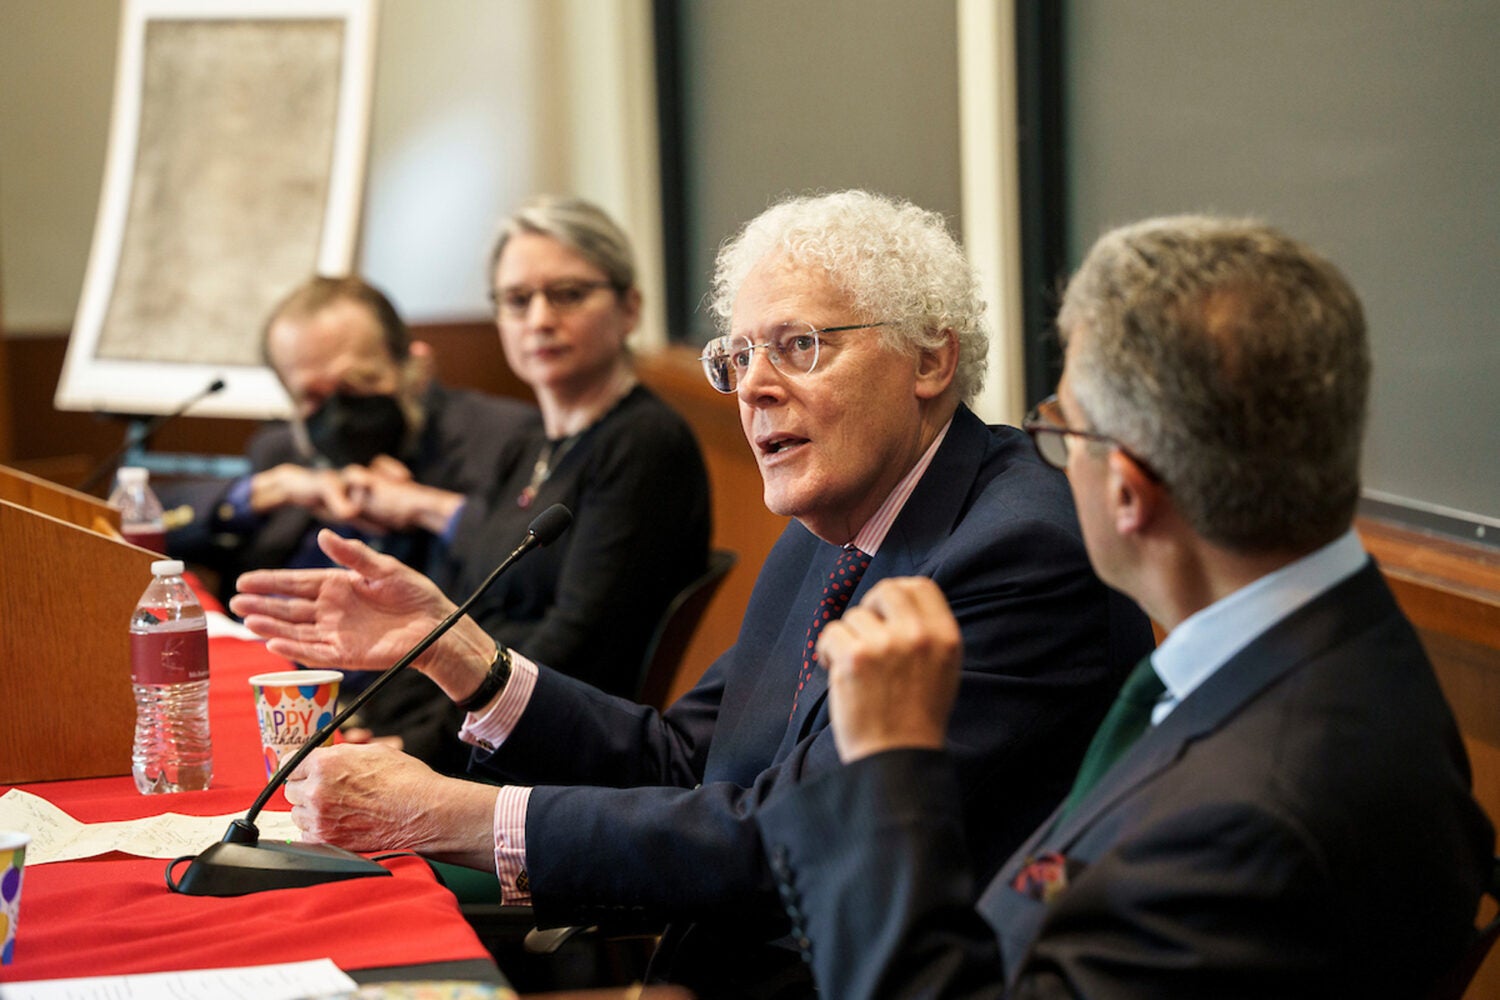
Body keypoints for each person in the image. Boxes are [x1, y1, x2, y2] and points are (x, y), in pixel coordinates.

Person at [230, 190, 1154, 996]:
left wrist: (456, 814)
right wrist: (462, 656)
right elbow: (686, 757)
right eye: (738, 356)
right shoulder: (825, 528)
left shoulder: (1018, 550)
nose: (753, 387)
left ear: (930, 361)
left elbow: (791, 841)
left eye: (799, 345)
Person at [753, 216, 1495, 998]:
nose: (1050, 462)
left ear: (1127, 492)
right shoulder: (1347, 640)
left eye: (1060, 432)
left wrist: (889, 770)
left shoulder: (1243, 823)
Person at [346, 196, 712, 699]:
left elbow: (576, 649)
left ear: (629, 309)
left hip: (547, 738)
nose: (539, 319)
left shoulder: (644, 444)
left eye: (568, 294)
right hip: (476, 714)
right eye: (517, 300)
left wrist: (416, 745)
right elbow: (470, 606)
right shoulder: (529, 443)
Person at [167, 274, 535, 600]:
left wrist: (426, 507)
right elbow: (129, 528)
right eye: (312, 396)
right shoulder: (279, 452)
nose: (337, 416)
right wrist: (267, 491)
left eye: (357, 383)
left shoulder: (500, 438)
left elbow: (543, 572)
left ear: (416, 369)